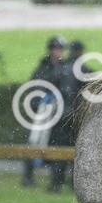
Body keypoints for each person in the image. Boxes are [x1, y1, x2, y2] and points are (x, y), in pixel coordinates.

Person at [23, 35, 80, 192]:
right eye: (55, 49)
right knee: (36, 141)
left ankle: (58, 181)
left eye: (60, 49)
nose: (58, 52)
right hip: (46, 113)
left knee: (61, 146)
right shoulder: (44, 69)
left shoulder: (67, 68)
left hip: (62, 115)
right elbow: (37, 89)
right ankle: (29, 176)